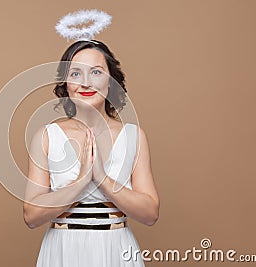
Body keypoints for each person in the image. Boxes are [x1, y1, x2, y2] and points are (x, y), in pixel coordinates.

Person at [23, 39, 160, 267]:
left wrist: (102, 178)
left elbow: (150, 214)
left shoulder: (133, 136)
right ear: (66, 83)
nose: (86, 83)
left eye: (96, 72)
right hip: (63, 250)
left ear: (111, 81)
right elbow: (31, 215)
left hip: (115, 249)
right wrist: (81, 181)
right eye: (76, 74)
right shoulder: (47, 136)